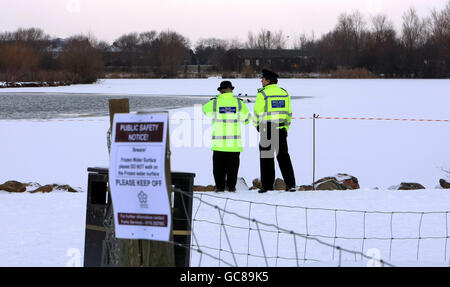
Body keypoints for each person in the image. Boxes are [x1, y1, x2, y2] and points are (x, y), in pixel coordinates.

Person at [253, 69, 296, 193]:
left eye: (263, 79)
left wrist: (257, 126)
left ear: (268, 80)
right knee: (284, 158)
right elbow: (289, 113)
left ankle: (267, 186)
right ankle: (291, 184)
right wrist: (286, 128)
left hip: (267, 129)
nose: (261, 80)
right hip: (281, 129)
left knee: (266, 158)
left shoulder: (263, 94)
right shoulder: (284, 93)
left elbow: (257, 113)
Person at [203, 81, 250, 192]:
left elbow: (205, 111)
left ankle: (219, 188)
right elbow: (247, 120)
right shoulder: (239, 104)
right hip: (234, 145)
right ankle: (232, 187)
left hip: (219, 145)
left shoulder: (214, 103)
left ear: (221, 91)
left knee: (218, 169)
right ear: (231, 90)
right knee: (233, 169)